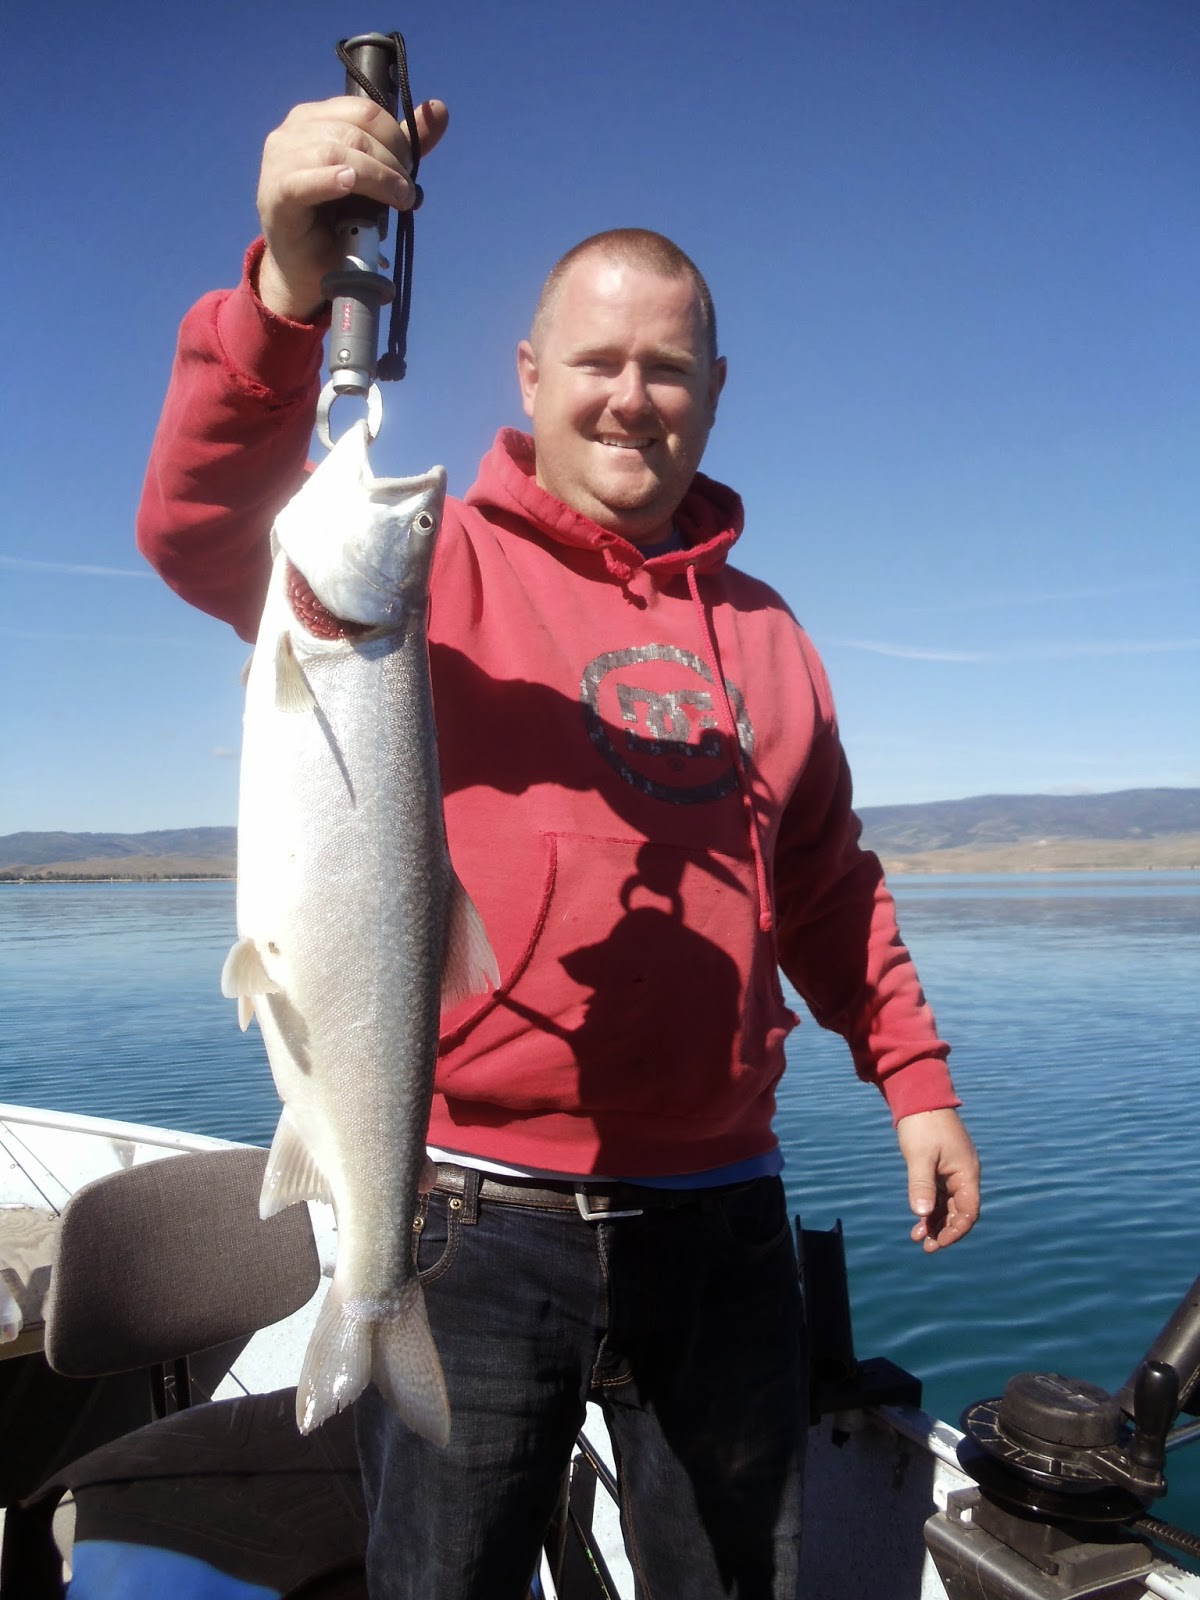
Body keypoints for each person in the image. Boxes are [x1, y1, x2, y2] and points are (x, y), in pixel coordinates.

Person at [137, 92, 980, 1600]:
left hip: (722, 1223)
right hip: (462, 1213)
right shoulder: (420, 562)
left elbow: (830, 889)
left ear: (717, 391)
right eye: (597, 362)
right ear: (531, 375)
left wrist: (913, 1083)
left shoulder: (768, 634)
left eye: (668, 369)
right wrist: (279, 294)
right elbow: (200, 525)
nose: (631, 398)